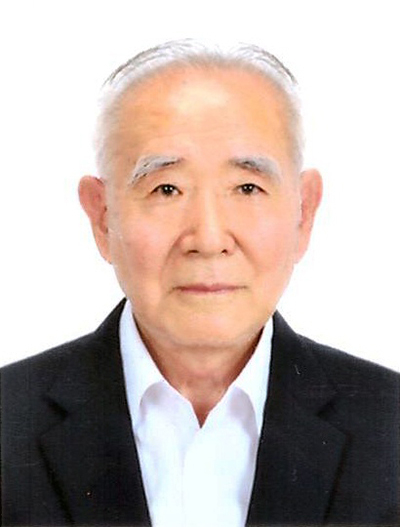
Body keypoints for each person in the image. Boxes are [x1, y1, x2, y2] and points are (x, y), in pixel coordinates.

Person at [1, 40, 399, 527]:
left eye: (247, 188)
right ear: (102, 217)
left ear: (304, 212)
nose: (208, 239)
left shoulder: (390, 428)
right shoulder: (8, 422)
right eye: (166, 188)